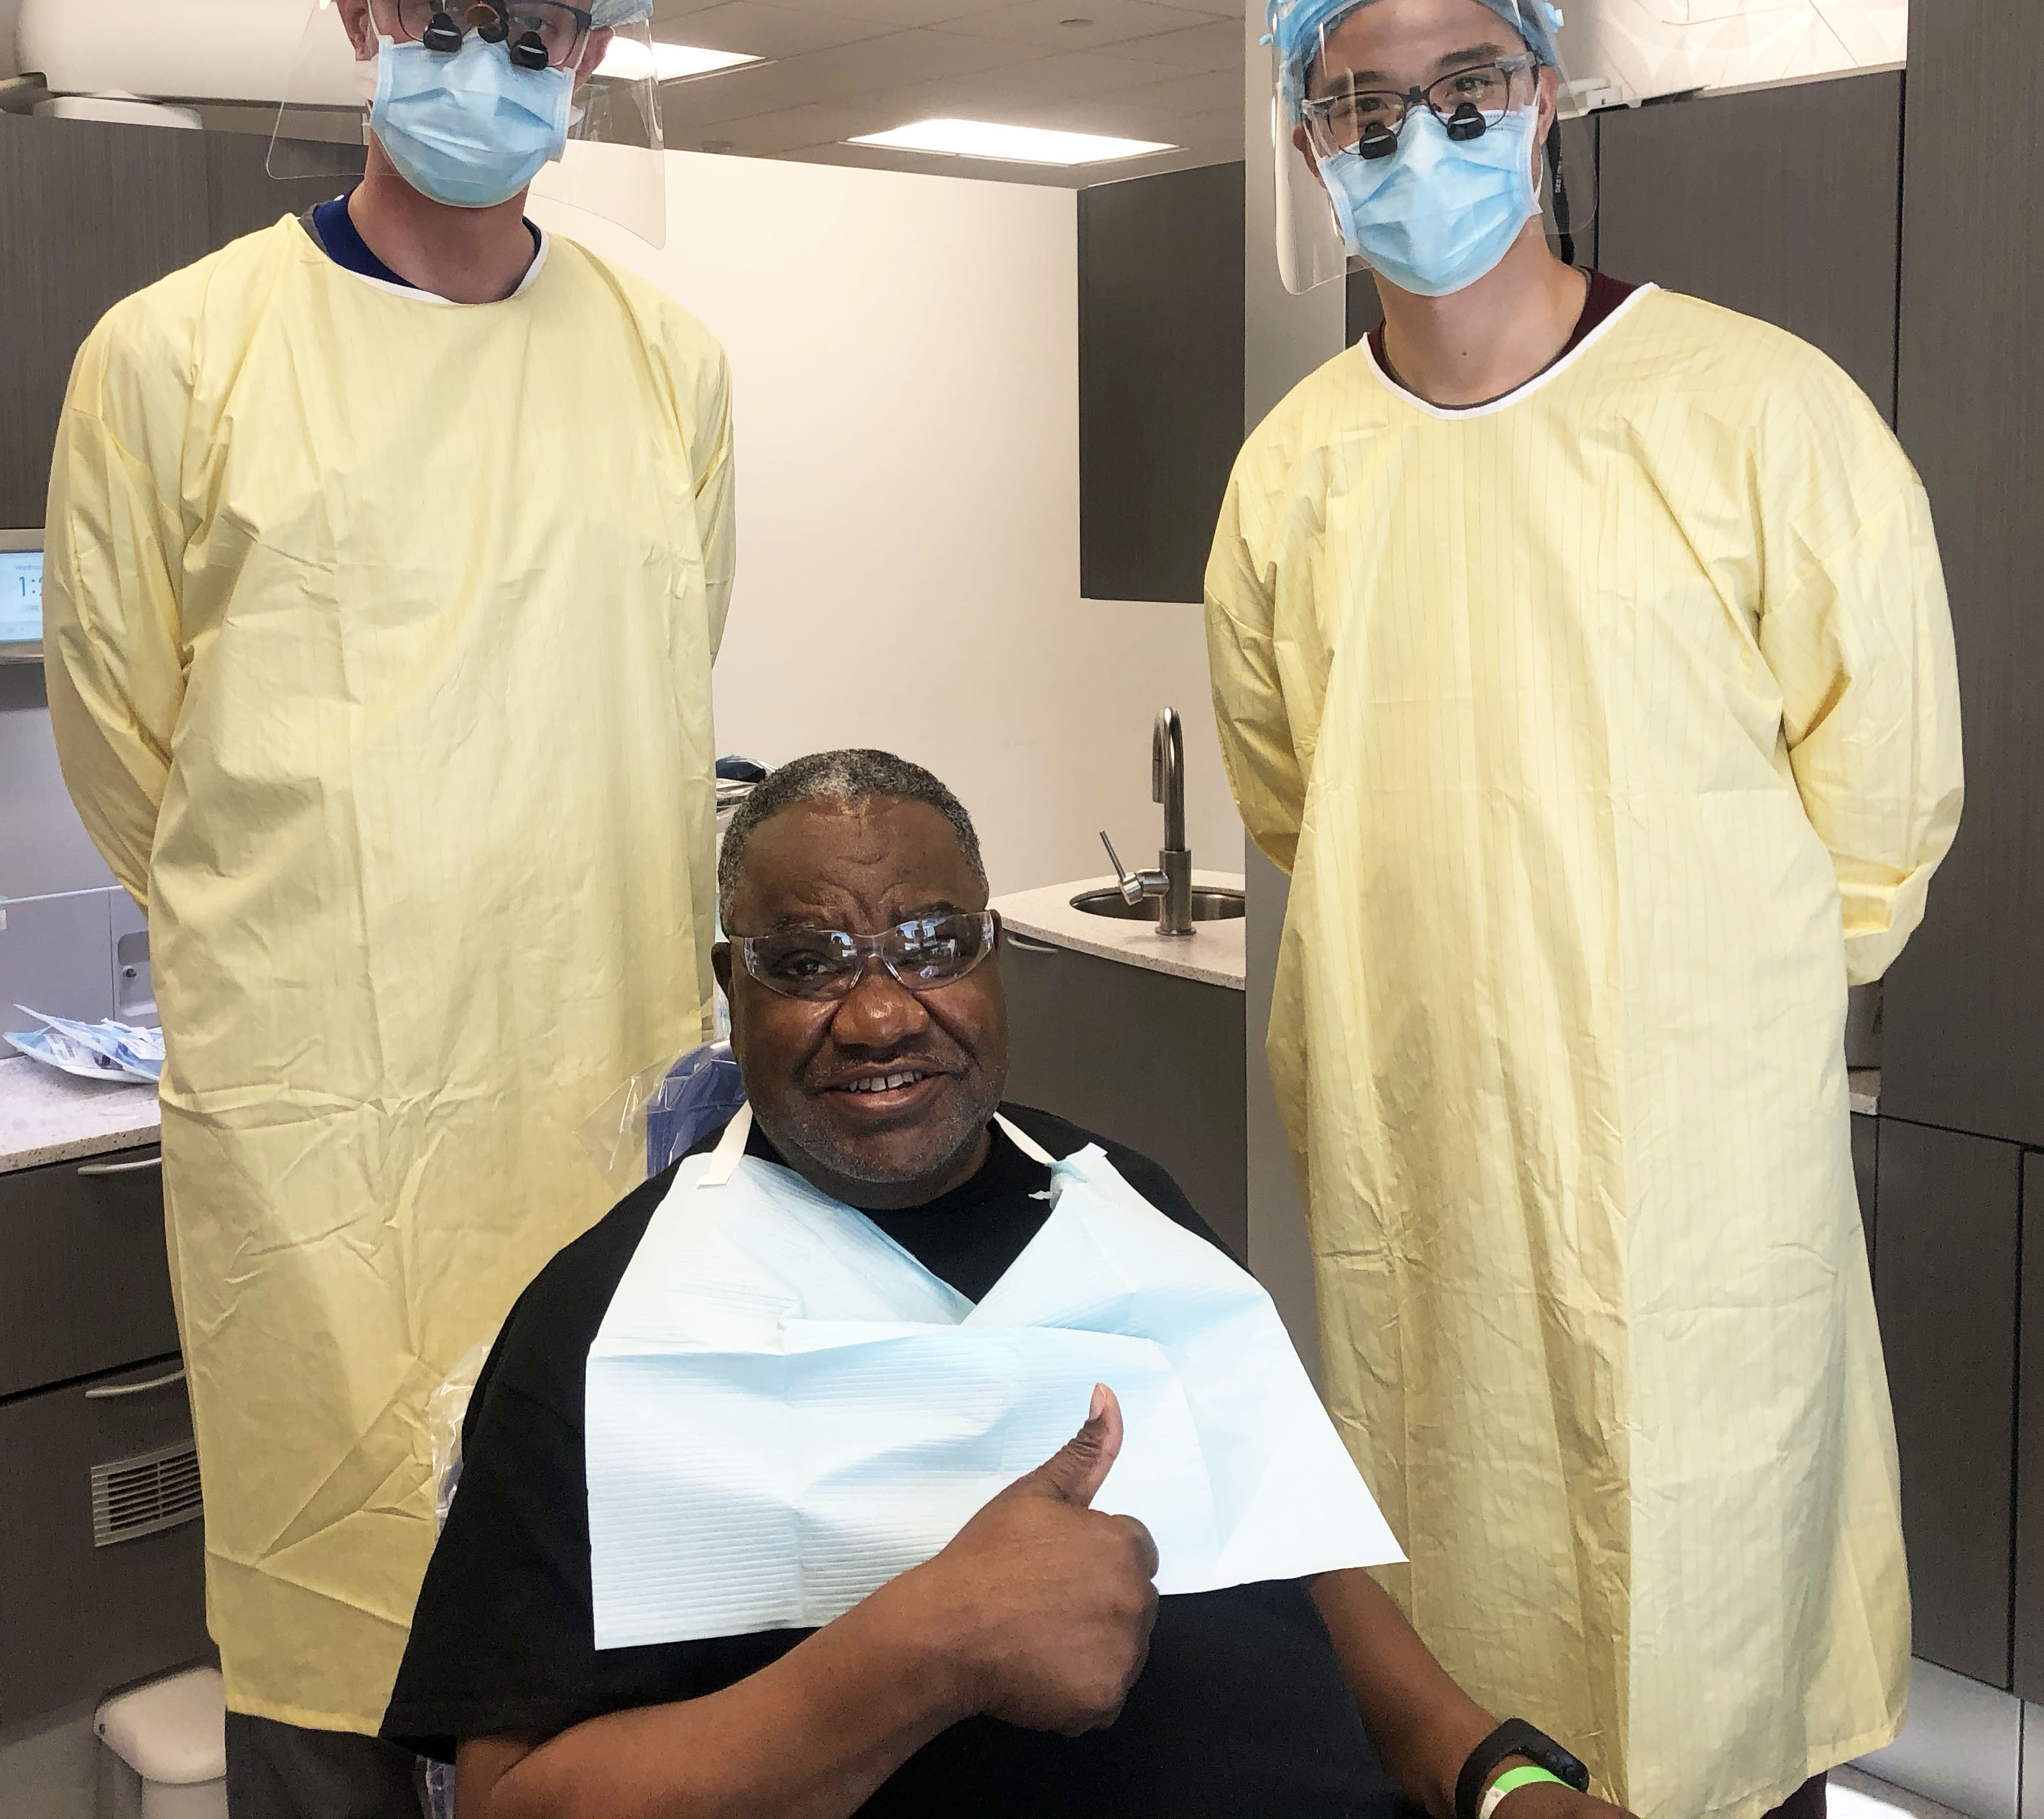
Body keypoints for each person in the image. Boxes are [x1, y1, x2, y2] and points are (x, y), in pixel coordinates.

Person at [1206, 0, 1965, 1819]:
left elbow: (1885, 805)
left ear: (1541, 97)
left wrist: (1706, 1009)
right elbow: (1301, 798)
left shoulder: (1758, 412)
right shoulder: (1293, 472)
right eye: (1361, 107)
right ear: (1312, 146)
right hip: (1419, 1162)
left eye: (1463, 86)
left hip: (1698, 1193)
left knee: (1712, 1652)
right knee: (1458, 1642)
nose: (1418, 138)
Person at [43, 0, 734, 1813]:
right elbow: (125, 758)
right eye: (451, 12)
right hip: (321, 1132)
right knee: (334, 1672)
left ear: (598, 52)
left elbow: (660, 707)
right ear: (359, 11)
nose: (498, 63)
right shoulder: (178, 356)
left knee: (596, 1665)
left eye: (546, 26)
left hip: (595, 1100)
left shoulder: (664, 367)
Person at [387, 749, 1643, 1819]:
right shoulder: (605, 1323)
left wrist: (1492, 1775)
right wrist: (926, 1655)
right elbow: (514, 1800)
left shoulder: (1126, 1201)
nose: (880, 1015)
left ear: (995, 957)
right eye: (812, 961)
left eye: (930, 946)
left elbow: (1287, 1550)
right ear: (734, 989)